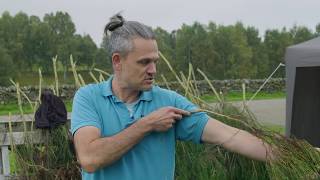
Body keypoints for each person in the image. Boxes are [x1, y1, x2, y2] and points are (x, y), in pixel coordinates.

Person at [71, 14, 273, 180]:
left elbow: (228, 135)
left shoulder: (169, 101)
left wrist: (285, 156)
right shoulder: (89, 97)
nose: (153, 70)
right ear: (118, 61)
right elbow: (90, 158)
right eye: (144, 62)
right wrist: (147, 124)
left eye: (155, 61)